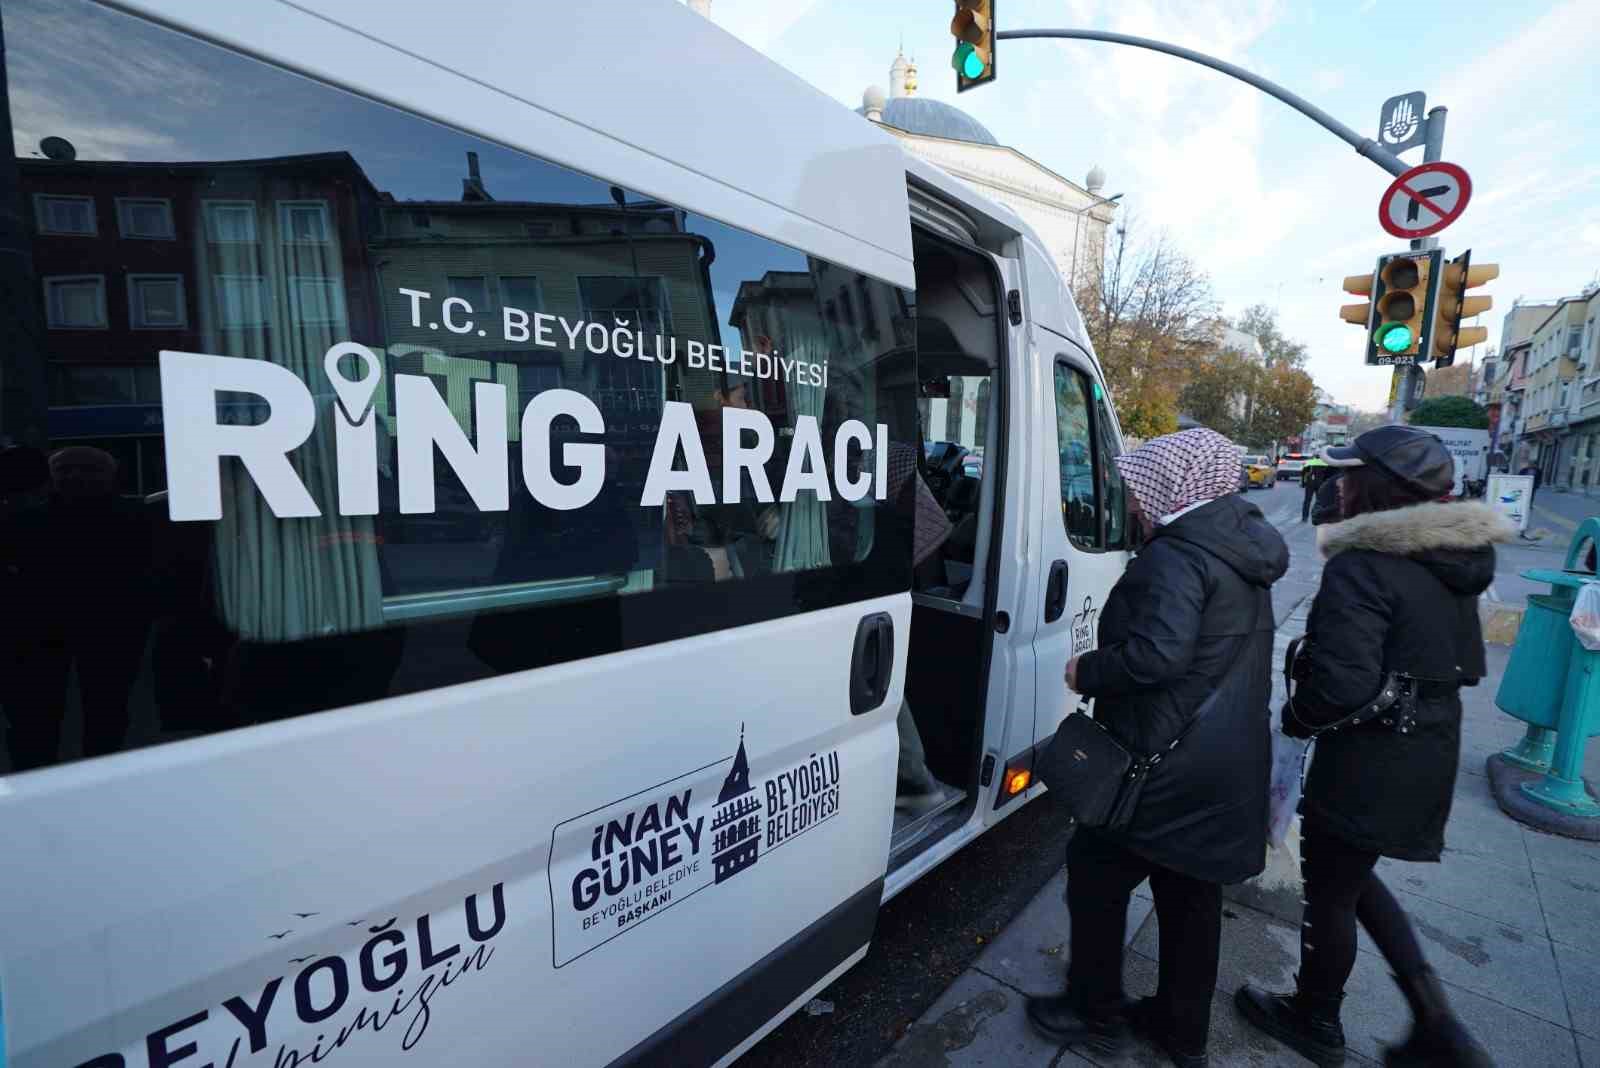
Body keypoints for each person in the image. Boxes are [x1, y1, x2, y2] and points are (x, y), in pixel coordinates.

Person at [1237, 425, 1510, 1068]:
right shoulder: (1454, 556)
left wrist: (1298, 718)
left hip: (1372, 753)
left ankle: (1315, 1016)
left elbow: (1341, 685)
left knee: (1331, 887)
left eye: (1349, 473)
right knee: (1353, 877)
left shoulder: (1365, 563)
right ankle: (1437, 1020)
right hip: (1430, 741)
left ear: (1375, 485)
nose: (1337, 485)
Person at [1027, 428, 1288, 1067]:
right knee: (1190, 897)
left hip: (1164, 765)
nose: (1134, 500)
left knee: (1095, 874)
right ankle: (1181, 1031)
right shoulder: (1239, 547)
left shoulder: (1177, 555)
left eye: (1142, 487)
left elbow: (1157, 655)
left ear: (1173, 485)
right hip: (1224, 763)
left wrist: (1086, 671)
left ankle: (1094, 1012)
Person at [1301, 456, 1333, 523]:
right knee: (1320, 501)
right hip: (1321, 483)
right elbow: (1328, 474)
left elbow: (1303, 473)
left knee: (1307, 500)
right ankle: (1318, 517)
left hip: (1310, 483)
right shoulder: (1325, 462)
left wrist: (1303, 483)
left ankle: (1304, 517)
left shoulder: (1310, 462)